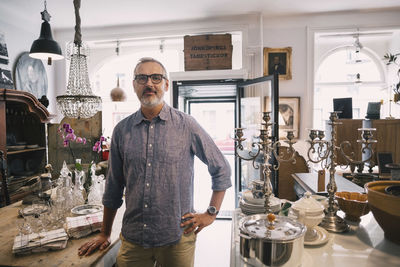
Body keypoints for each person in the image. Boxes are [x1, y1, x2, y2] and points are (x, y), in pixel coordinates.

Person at [78, 57, 232, 267]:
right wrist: (105, 234)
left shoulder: (187, 125)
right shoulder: (122, 131)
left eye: (156, 78)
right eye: (142, 78)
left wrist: (211, 214)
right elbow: (113, 186)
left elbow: (221, 168)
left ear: (166, 85)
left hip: (177, 238)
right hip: (134, 239)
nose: (149, 83)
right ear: (134, 85)